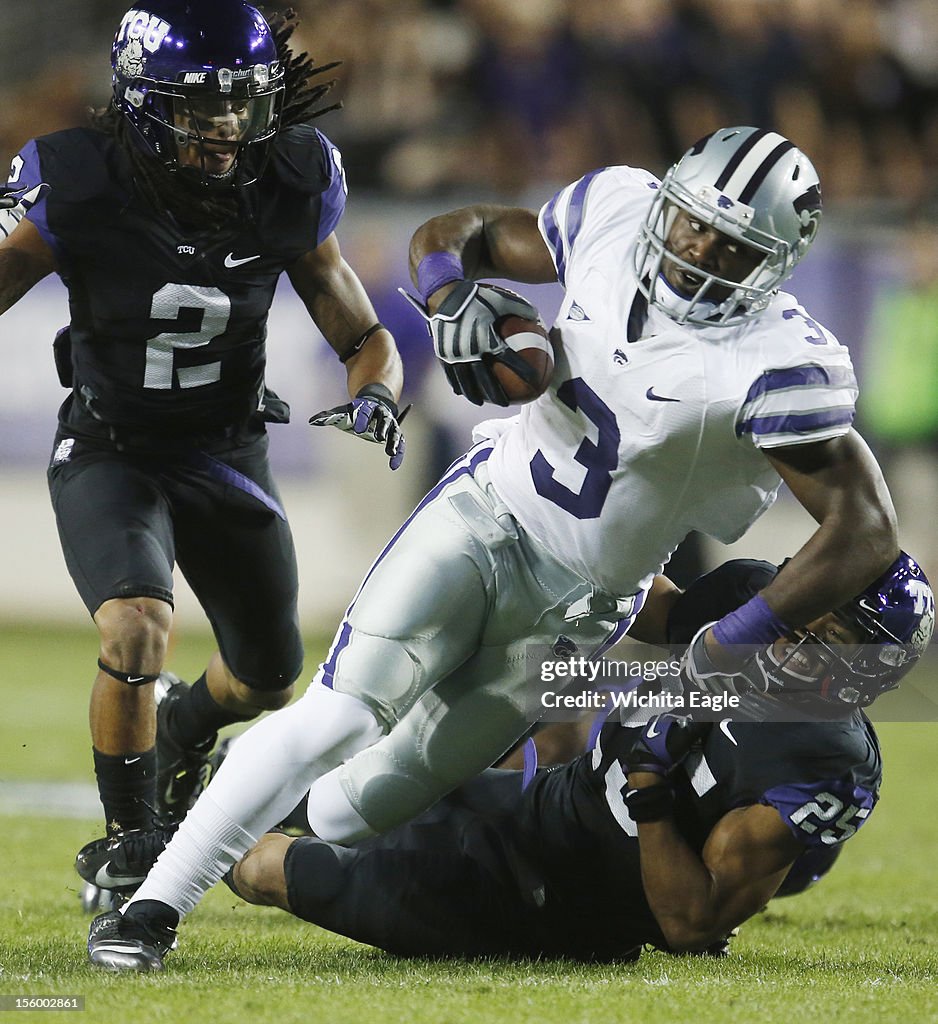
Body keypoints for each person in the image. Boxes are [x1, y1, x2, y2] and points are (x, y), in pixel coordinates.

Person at [83, 124, 900, 962]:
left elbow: (867, 528)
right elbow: (456, 232)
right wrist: (447, 297)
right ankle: (149, 912)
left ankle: (168, 815)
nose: (696, 248)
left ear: (774, 263)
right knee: (337, 717)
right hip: (485, 519)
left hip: (581, 612)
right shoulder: (615, 212)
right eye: (692, 220)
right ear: (670, 196)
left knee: (360, 803)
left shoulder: (779, 361)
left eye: (731, 245)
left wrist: (735, 638)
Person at [0, 0, 406, 904]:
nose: (227, 128)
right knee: (136, 622)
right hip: (113, 444)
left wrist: (375, 394)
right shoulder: (78, 180)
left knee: (269, 677)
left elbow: (364, 334)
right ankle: (130, 843)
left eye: (242, 102)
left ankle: (185, 723)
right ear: (145, 103)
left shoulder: (290, 178)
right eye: (201, 106)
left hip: (229, 449)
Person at [86, 552, 935, 966]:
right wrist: (526, 691)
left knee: (269, 868)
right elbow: (622, 631)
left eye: (837, 642)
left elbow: (689, 925)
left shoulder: (821, 767)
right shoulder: (750, 612)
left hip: (554, 900)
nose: (804, 643)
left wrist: (647, 791)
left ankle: (151, 860)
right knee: (349, 782)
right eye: (812, 616)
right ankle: (152, 829)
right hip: (539, 803)